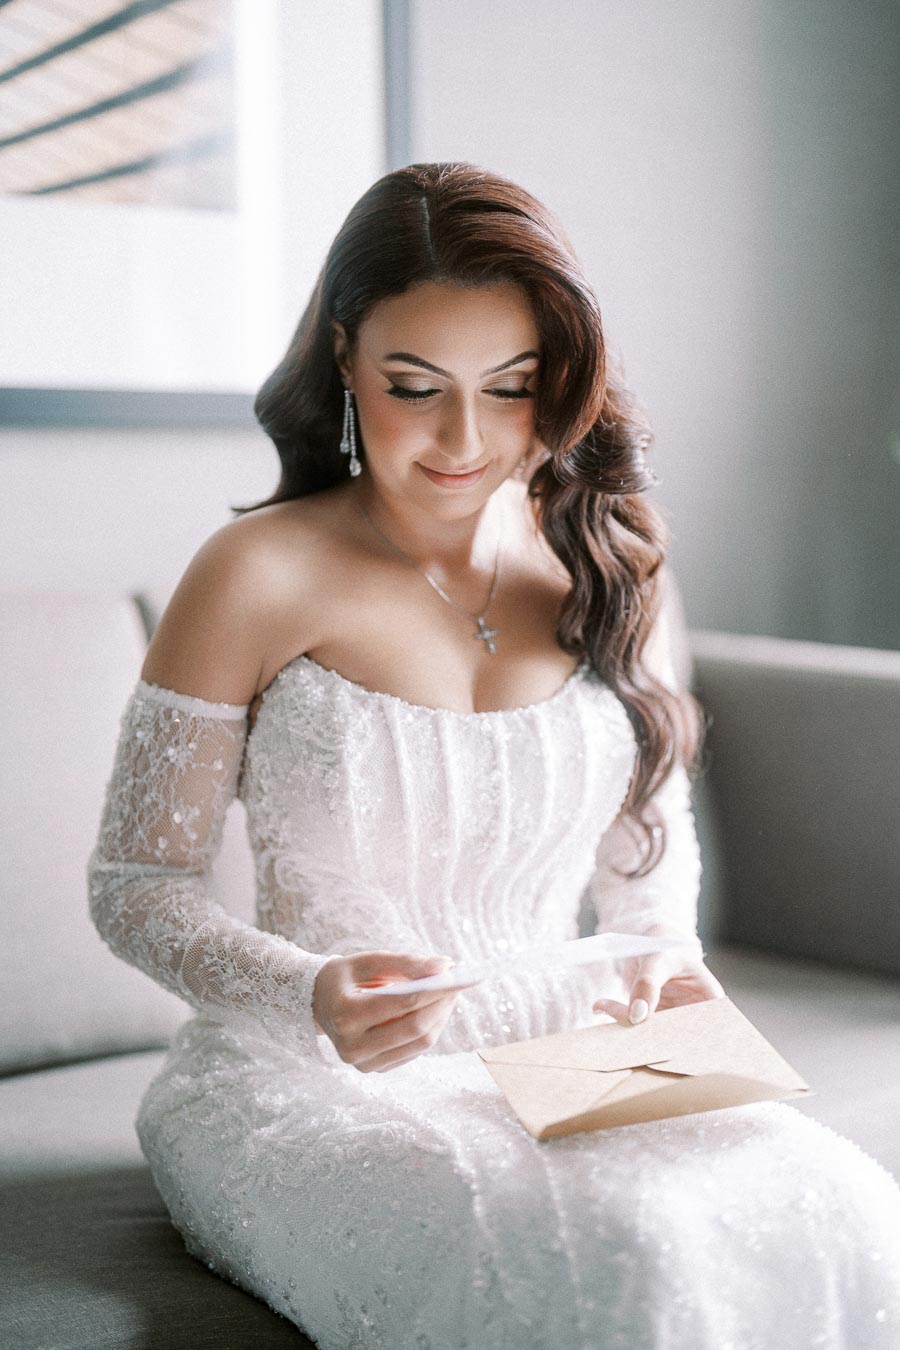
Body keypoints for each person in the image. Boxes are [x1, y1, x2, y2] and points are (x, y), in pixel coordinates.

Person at [87, 161, 900, 1349]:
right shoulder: (255, 573)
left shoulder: (616, 556)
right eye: (415, 386)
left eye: (511, 388)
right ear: (345, 365)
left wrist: (664, 987)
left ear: (562, 384)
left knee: (836, 1209)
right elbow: (136, 886)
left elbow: (647, 866)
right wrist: (306, 991)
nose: (464, 441)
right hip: (303, 1077)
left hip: (562, 1040)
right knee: (621, 1259)